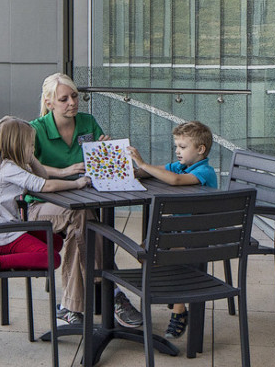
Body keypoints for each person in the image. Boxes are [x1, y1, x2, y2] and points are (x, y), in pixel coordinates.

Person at [28, 71, 142, 330]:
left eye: (75, 96)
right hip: (39, 206)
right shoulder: (35, 130)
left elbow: (101, 165)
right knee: (83, 220)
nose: (72, 102)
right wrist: (65, 172)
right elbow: (27, 172)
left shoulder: (88, 123)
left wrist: (106, 150)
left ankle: (70, 307)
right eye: (64, 99)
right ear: (49, 103)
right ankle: (112, 294)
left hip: (80, 203)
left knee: (81, 227)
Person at [130, 120, 219, 338]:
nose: (177, 151)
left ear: (200, 149)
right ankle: (174, 290)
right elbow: (157, 172)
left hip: (198, 236)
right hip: (179, 232)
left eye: (182, 147)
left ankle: (179, 310)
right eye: (176, 146)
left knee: (171, 260)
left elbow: (176, 180)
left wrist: (142, 164)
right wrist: (132, 171)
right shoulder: (181, 165)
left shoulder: (204, 171)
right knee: (145, 252)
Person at [0, 116, 89, 278]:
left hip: (2, 230)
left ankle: (15, 259)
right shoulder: (9, 169)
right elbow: (45, 185)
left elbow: (42, 176)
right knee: (52, 258)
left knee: (55, 241)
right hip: (2, 235)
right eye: (31, 145)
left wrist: (32, 159)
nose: (33, 149)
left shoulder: (4, 164)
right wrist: (77, 184)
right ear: (17, 146)